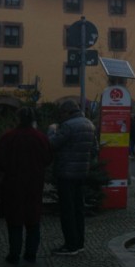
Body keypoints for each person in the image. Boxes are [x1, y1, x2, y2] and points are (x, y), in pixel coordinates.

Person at [0, 107, 52, 266]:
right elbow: (48, 158)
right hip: (34, 183)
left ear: (18, 119)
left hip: (12, 184)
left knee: (14, 220)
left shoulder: (8, 137)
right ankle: (31, 254)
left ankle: (14, 254)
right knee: (33, 220)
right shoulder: (41, 138)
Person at [48, 100, 97, 256]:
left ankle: (70, 245)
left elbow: (52, 144)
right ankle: (79, 243)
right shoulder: (89, 124)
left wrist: (51, 131)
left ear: (67, 112)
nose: (60, 117)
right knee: (78, 209)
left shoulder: (68, 126)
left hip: (66, 173)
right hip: (82, 172)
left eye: (61, 113)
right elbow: (95, 149)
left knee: (67, 210)